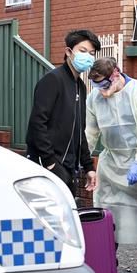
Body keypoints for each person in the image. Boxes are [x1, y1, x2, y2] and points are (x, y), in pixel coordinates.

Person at [85, 57, 137, 273]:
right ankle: (107, 264)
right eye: (97, 86)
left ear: (116, 73)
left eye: (106, 85)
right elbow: (91, 132)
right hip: (110, 163)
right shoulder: (94, 99)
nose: (102, 92)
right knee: (107, 216)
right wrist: (82, 160)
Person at [26, 29, 99, 195]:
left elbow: (79, 130)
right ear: (68, 51)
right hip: (49, 165)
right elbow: (38, 122)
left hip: (69, 167)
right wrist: (50, 162)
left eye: (91, 53)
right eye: (82, 51)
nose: (87, 56)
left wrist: (88, 167)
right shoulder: (53, 80)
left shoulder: (80, 85)